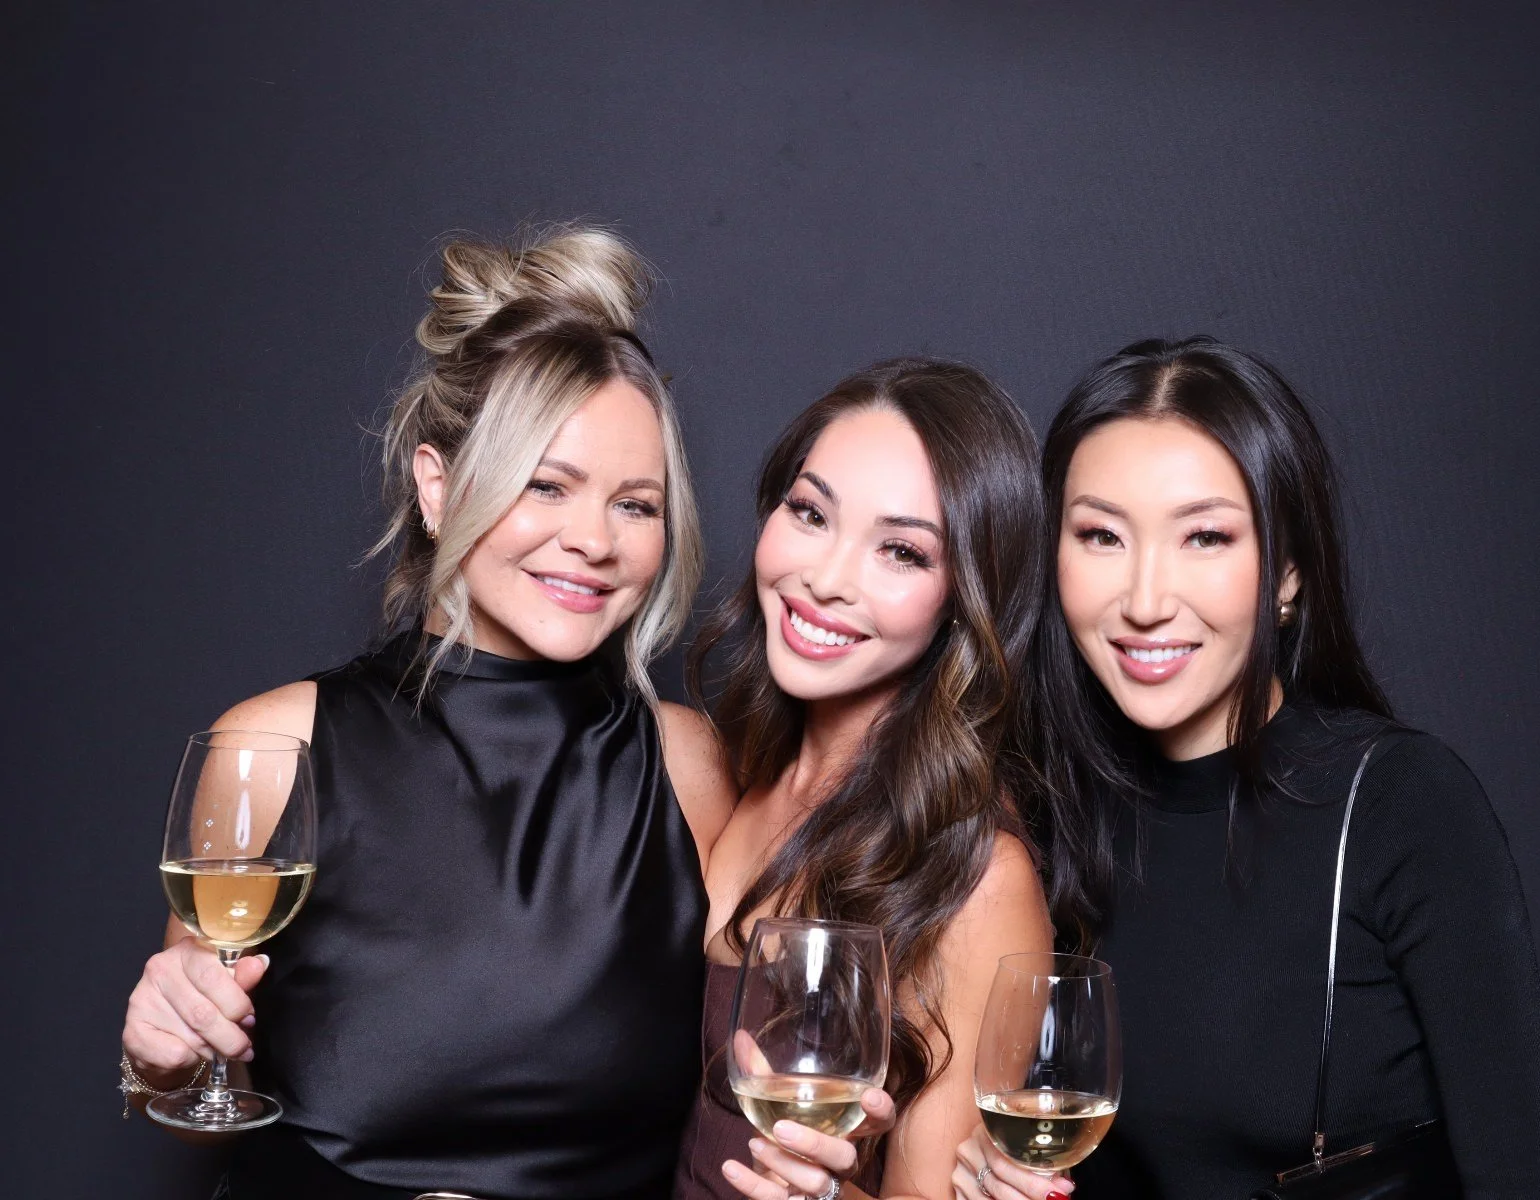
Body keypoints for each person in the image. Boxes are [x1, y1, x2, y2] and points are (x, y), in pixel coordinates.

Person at [118, 226, 737, 1200]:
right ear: (439, 487)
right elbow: (203, 1099)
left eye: (637, 504)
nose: (593, 539)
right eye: (548, 484)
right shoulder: (272, 748)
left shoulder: (687, 767)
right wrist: (164, 1060)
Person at [951, 337, 1540, 1200]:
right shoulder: (1045, 813)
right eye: (1101, 535)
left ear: (1286, 573)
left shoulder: (1401, 806)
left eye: (1205, 537)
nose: (1144, 600)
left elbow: (1532, 1179)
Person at [675, 360, 1055, 1200]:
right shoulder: (716, 769)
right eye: (810, 513)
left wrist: (823, 1190)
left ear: (966, 597)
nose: (828, 578)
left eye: (901, 551)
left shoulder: (980, 880)